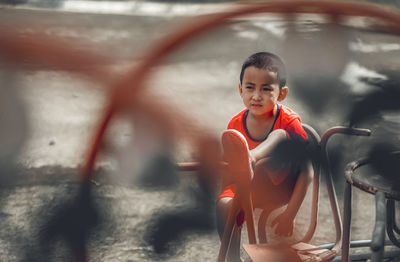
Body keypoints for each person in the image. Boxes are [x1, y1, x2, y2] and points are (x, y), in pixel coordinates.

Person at [216, 52, 313, 262]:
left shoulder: (288, 122)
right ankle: (233, 258)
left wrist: (290, 214)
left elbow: (307, 171)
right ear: (240, 89)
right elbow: (228, 171)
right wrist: (228, 198)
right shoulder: (235, 125)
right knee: (223, 205)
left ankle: (251, 158)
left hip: (280, 186)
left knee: (279, 136)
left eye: (266, 89)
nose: (257, 96)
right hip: (248, 186)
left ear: (282, 94)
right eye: (250, 87)